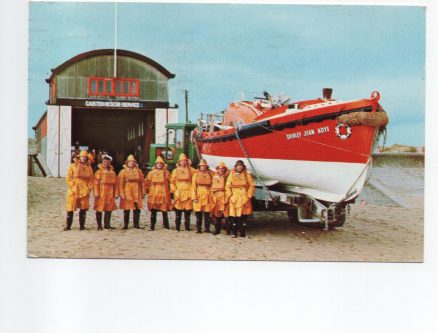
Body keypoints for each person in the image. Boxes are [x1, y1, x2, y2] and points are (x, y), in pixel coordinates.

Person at [64, 150, 94, 231]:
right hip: (74, 188)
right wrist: (72, 186)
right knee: (70, 207)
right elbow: (68, 177)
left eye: (85, 157)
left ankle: (82, 226)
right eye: (82, 157)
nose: (83, 158)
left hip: (84, 189)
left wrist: (89, 188)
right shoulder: (72, 166)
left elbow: (91, 179)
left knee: (83, 207)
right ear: (79, 157)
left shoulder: (89, 168)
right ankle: (68, 226)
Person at [225, 160, 255, 238]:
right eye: (238, 165)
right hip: (234, 196)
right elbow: (227, 185)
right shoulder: (231, 174)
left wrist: (248, 196)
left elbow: (252, 185)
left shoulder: (247, 174)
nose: (239, 167)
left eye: (241, 165)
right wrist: (230, 196)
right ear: (235, 167)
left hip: (244, 196)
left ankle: (242, 232)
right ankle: (234, 232)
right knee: (233, 215)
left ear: (243, 167)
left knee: (243, 215)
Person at [118, 154, 145, 230]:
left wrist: (143, 192)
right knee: (127, 207)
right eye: (130, 162)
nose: (131, 163)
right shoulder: (123, 172)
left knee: (137, 207)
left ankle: (136, 224)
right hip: (127, 190)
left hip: (137, 190)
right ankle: (126, 224)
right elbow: (120, 183)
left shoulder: (139, 171)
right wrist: (121, 193)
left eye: (132, 162)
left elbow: (142, 182)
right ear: (127, 163)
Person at [144, 156, 171, 230]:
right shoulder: (151, 173)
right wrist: (146, 190)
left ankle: (166, 226)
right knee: (153, 211)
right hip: (154, 194)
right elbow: (147, 182)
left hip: (163, 194)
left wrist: (170, 191)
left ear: (163, 164)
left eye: (160, 163)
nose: (159, 165)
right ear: (155, 164)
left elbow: (170, 182)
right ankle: (152, 226)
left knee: (164, 211)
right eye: (158, 163)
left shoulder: (166, 172)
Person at [170, 153, 196, 231]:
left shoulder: (191, 170)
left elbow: (198, 175)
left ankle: (187, 226)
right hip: (179, 193)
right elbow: (172, 182)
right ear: (179, 162)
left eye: (185, 161)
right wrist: (174, 190)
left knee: (187, 211)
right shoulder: (175, 171)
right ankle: (177, 226)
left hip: (188, 192)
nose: (183, 162)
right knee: (178, 211)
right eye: (181, 161)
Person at [93, 153, 118, 230]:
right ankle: (99, 225)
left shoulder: (113, 173)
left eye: (107, 161)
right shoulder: (98, 172)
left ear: (110, 162)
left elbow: (116, 184)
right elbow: (95, 183)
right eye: (104, 161)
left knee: (109, 208)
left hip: (110, 193)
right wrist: (96, 193)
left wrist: (116, 193)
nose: (105, 163)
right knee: (99, 208)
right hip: (101, 192)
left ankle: (107, 225)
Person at [191, 159, 214, 233]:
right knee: (198, 213)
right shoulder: (196, 175)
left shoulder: (211, 174)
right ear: (199, 167)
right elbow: (193, 186)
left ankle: (207, 228)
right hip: (199, 194)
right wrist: (194, 197)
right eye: (202, 166)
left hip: (208, 194)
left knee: (207, 213)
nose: (203, 167)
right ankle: (198, 229)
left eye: (204, 166)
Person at [210, 162, 229, 235]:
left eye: (223, 168)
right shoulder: (213, 175)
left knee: (225, 214)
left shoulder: (227, 176)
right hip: (215, 195)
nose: (221, 170)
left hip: (223, 195)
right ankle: (217, 229)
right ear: (217, 169)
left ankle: (227, 230)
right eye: (219, 168)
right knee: (216, 213)